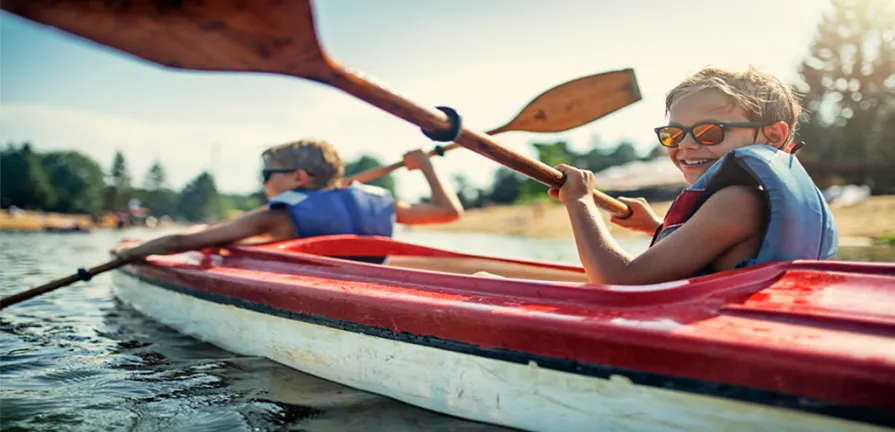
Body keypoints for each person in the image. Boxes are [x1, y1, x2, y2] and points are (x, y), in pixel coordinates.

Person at [548, 66, 838, 285]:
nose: (685, 145)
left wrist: (580, 201)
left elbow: (621, 281)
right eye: (673, 134)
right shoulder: (749, 201)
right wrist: (657, 227)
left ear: (772, 135)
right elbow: (722, 246)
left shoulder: (737, 201)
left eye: (710, 132)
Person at [115, 139, 464, 262]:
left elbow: (181, 241)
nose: (263, 182)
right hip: (374, 288)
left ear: (299, 178)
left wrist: (130, 253)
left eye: (267, 175)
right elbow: (448, 213)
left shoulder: (275, 216)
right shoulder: (379, 204)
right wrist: (427, 167)